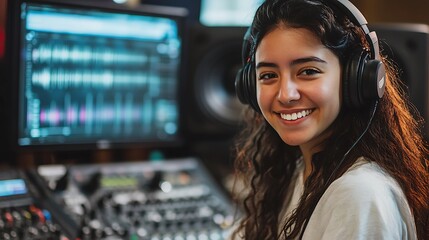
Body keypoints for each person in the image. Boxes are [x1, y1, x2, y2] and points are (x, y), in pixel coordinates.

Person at [231, 0, 429, 239]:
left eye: (308, 71)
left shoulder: (359, 194)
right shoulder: (299, 169)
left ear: (354, 80)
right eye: (268, 75)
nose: (285, 94)